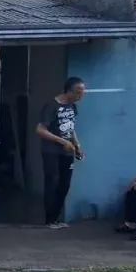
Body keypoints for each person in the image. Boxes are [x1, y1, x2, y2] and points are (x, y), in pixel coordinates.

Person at [36, 77, 85, 229]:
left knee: (64, 184)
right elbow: (40, 130)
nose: (81, 95)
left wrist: (77, 145)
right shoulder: (52, 105)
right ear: (69, 91)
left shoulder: (72, 106)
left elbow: (70, 127)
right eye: (78, 92)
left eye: (82, 92)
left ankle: (56, 218)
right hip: (51, 151)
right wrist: (63, 142)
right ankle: (49, 220)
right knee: (53, 182)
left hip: (67, 152)